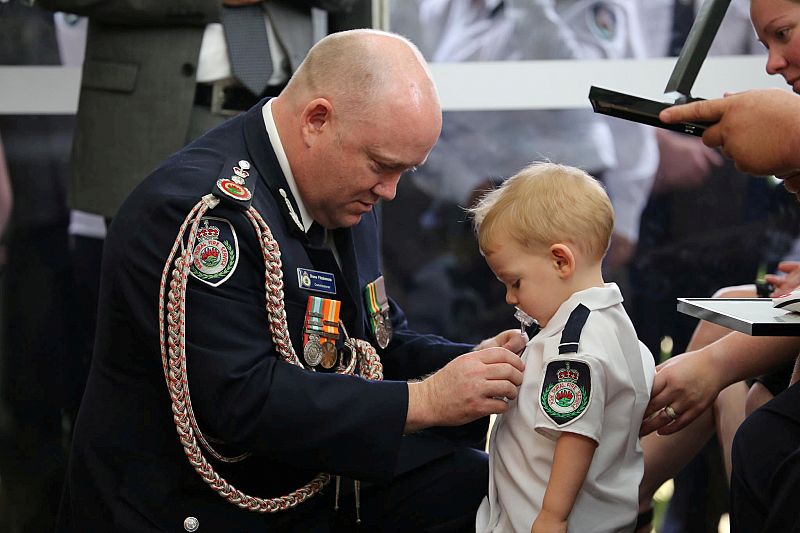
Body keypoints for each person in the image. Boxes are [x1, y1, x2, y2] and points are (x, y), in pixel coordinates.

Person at [57, 29, 528, 532]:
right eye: (383, 166)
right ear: (316, 120)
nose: (390, 191)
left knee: (489, 488)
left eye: (405, 171)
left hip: (302, 475)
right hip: (189, 506)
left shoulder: (342, 189)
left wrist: (482, 370)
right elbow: (244, 402)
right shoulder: (203, 214)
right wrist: (429, 400)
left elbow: (372, 342)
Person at [468, 163, 655, 532]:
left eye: (515, 282)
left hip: (542, 519)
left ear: (560, 260)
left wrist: (553, 516)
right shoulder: (614, 323)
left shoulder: (573, 345)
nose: (510, 297)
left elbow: (576, 435)